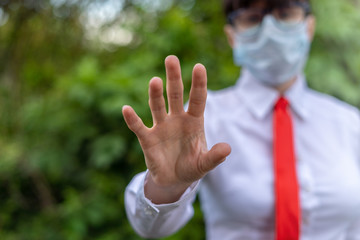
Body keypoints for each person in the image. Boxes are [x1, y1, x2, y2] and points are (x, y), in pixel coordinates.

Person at [122, 0, 360, 239]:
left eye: (285, 13)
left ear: (309, 27)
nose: (270, 28)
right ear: (232, 36)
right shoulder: (205, 118)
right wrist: (164, 189)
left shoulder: (349, 123)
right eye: (252, 17)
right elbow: (151, 229)